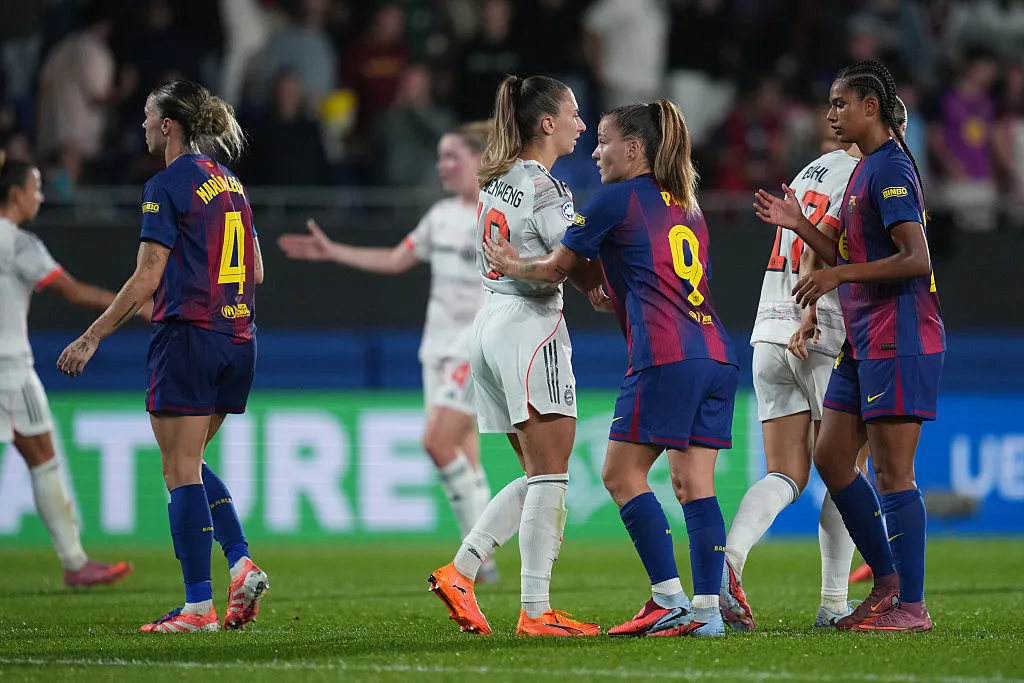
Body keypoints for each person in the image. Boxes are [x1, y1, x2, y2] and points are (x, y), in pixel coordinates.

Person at [483, 99, 737, 638]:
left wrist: (511, 264)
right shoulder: (686, 204)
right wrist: (615, 294)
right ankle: (709, 612)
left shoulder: (614, 200)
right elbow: (662, 278)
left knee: (620, 475)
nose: (595, 151)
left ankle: (668, 599)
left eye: (604, 141)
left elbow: (555, 268)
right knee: (696, 485)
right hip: (716, 353)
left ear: (635, 148)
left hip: (664, 357)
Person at [57, 80, 270, 634]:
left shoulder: (164, 185)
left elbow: (146, 276)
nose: (144, 126)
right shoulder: (231, 183)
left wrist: (92, 336)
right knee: (191, 462)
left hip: (190, 338)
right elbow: (258, 271)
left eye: (149, 116)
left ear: (169, 125)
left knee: (179, 470)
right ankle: (240, 561)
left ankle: (198, 608)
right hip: (239, 338)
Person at [754, 60, 944, 632]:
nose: (831, 112)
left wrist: (838, 277)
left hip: (899, 335)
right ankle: (886, 585)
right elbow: (838, 250)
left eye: (841, 103)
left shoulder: (890, 171)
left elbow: (917, 259)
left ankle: (910, 604)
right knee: (831, 458)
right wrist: (797, 222)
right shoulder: (862, 172)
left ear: (871, 108)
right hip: (864, 340)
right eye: (830, 103)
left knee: (892, 472)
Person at [277, 121, 498, 582]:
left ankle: (476, 557)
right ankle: (485, 558)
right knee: (462, 451)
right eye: (440, 156)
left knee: (436, 442)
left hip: (473, 346)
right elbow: (396, 259)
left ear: (479, 160)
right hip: (435, 348)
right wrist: (334, 252)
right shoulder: (440, 216)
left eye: (452, 156)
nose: (442, 165)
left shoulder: (499, 214)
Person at [721, 98, 910, 631]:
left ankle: (729, 561)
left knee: (785, 471)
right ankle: (832, 603)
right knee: (846, 472)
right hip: (820, 332)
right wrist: (809, 316)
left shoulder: (812, 169)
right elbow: (816, 245)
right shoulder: (862, 172)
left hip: (768, 328)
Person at [427, 74, 600, 638]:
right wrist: (598, 285)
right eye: (574, 114)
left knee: (536, 472)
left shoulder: (497, 179)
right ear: (546, 123)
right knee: (551, 473)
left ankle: (462, 570)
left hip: (490, 327)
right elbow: (561, 261)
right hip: (530, 327)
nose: (582, 123)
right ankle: (534, 611)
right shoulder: (548, 190)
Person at [0, 151, 136, 588]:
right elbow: (73, 293)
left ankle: (76, 562)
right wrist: (140, 306)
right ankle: (76, 564)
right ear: (16, 193)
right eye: (36, 188)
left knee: (41, 458)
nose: (40, 198)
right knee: (44, 461)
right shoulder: (18, 244)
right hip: (11, 371)